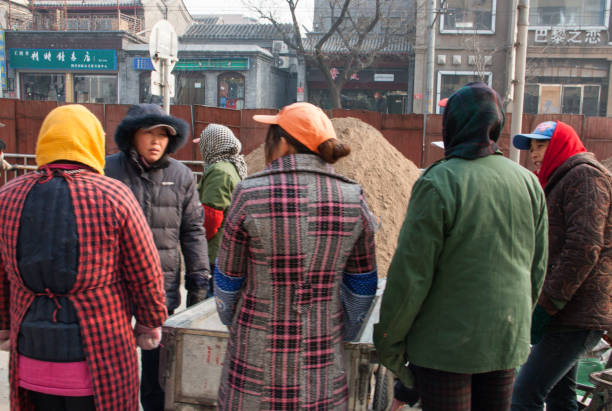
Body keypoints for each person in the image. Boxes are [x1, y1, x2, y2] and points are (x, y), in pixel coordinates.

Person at [374, 82, 548, 411]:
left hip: (444, 349)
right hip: (505, 341)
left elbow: (411, 275)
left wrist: (389, 341)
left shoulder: (439, 182)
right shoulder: (527, 182)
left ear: (452, 124)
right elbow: (536, 269)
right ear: (495, 124)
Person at [0, 104, 168, 411]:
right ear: (93, 142)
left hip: (31, 349)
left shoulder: (8, 196)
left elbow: (0, 274)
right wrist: (150, 322)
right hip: (100, 352)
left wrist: (3, 325)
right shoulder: (113, 195)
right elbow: (145, 270)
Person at [214, 102, 378, 409]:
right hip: (323, 361)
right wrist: (340, 326)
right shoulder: (353, 197)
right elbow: (363, 287)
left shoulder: (249, 193)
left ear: (285, 142)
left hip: (255, 360)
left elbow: (227, 281)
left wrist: (234, 321)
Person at [104, 104, 210, 411]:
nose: (156, 141)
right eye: (148, 133)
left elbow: (193, 231)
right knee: (113, 361)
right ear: (131, 136)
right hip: (112, 286)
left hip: (160, 285)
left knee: (158, 366)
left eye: (163, 135)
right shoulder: (106, 170)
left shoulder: (181, 176)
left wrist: (198, 281)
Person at [511, 121, 612, 410]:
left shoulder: (585, 177)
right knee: (559, 397)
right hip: (565, 313)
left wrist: (548, 305)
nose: (534, 154)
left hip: (576, 312)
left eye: (541, 145)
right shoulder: (560, 180)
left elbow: (583, 249)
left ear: (561, 145)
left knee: (524, 394)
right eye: (532, 147)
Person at [195, 124, 247, 296]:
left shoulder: (219, 171)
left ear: (212, 145)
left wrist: (197, 240)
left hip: (214, 251)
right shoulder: (232, 167)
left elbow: (211, 217)